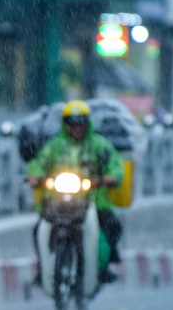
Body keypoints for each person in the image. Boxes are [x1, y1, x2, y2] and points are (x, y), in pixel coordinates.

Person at [27, 100, 124, 283]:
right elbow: (38, 163)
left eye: (81, 123)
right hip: (59, 200)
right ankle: (43, 268)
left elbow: (115, 165)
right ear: (65, 124)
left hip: (94, 201)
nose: (77, 127)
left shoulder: (99, 145)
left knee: (112, 225)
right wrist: (35, 176)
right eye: (72, 123)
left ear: (88, 123)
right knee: (38, 229)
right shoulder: (54, 146)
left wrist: (110, 177)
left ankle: (105, 267)